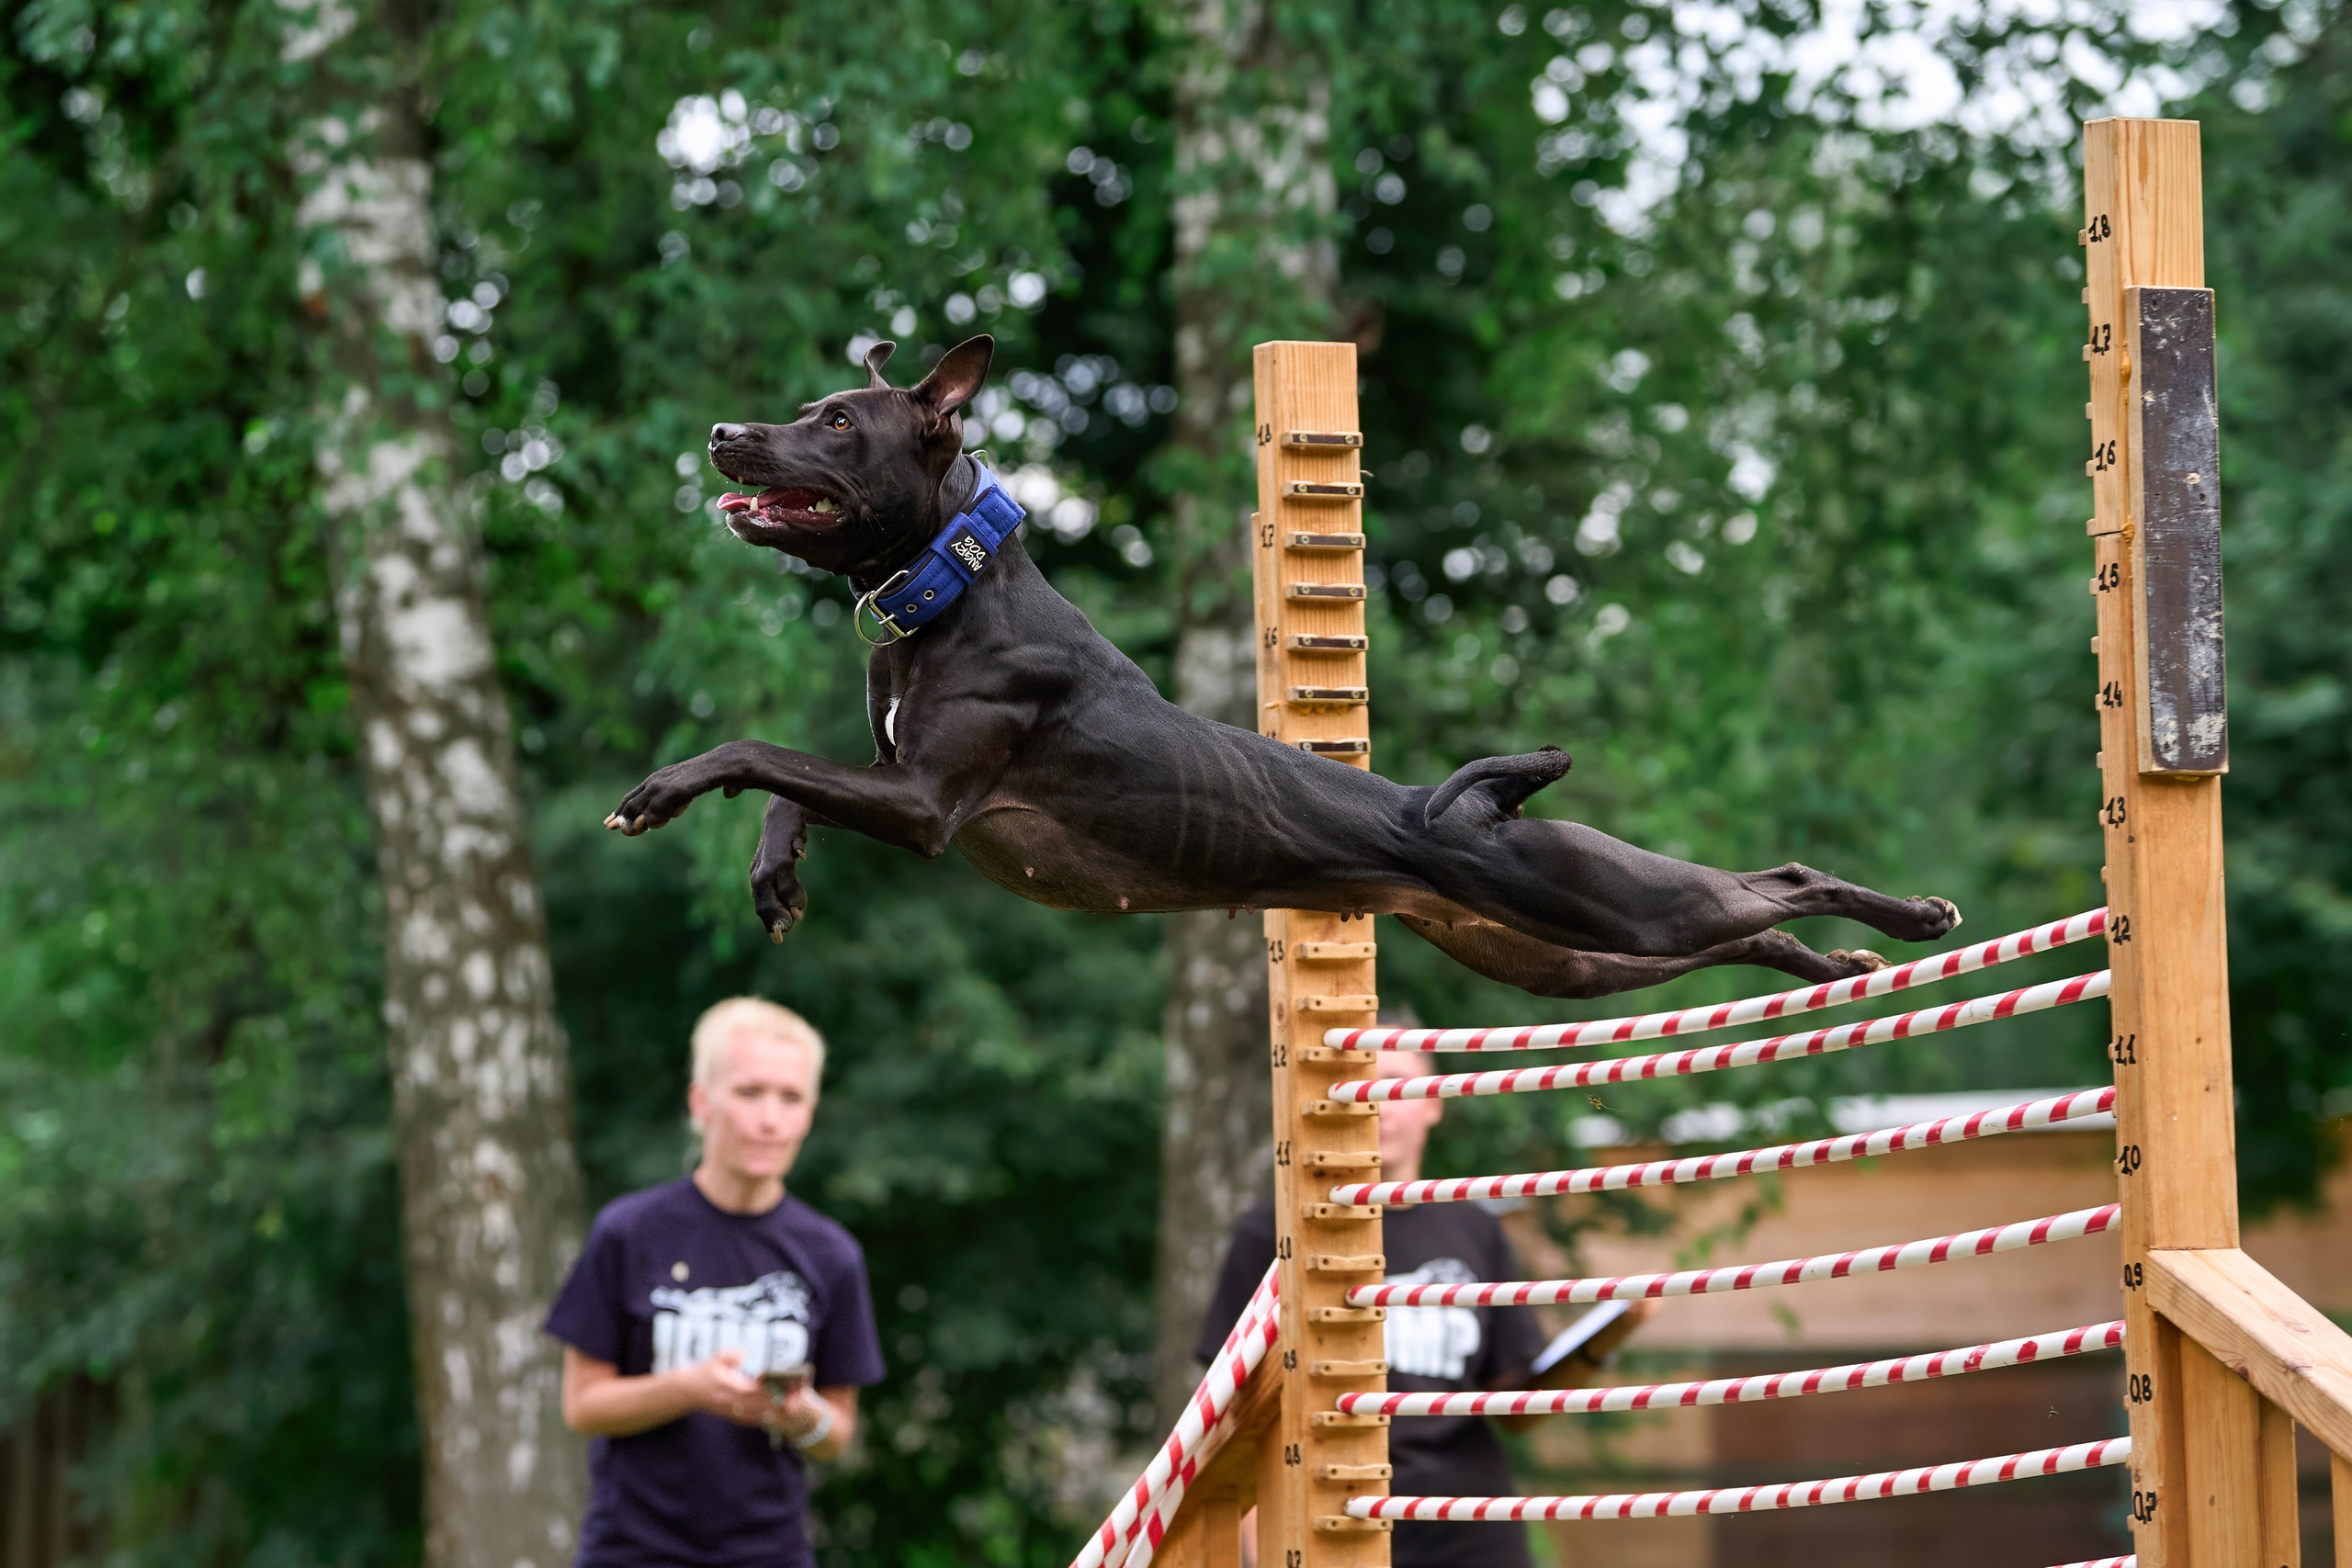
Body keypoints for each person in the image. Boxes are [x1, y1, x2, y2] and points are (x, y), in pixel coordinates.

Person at [1195, 1048, 1644, 1568]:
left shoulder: (1475, 1229)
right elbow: (1237, 1417)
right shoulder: (1276, 1233)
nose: (1377, 1102)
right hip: (1331, 1520)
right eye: (1358, 1084)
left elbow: (1517, 1412)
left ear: (1434, 1102)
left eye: (1395, 1082)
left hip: (1471, 1524)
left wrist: (1603, 1341)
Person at [544, 998, 884, 1568]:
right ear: (702, 1101)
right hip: (633, 1551)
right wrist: (690, 1389)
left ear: (810, 1113)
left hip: (769, 1553)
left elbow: (837, 1432)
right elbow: (582, 1406)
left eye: (791, 1097)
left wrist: (801, 1415)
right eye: (750, 1093)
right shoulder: (628, 1231)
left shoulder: (832, 1254)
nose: (770, 1118)